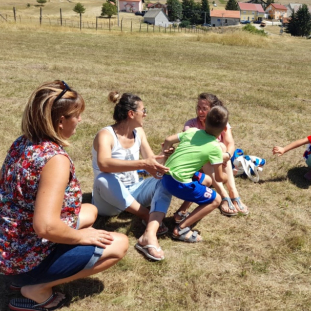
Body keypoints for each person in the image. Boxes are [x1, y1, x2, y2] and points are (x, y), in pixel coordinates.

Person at [0, 80, 129, 311]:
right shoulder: (55, 159)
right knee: (119, 244)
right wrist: (80, 237)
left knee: (90, 210)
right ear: (60, 121)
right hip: (25, 258)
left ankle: (22, 278)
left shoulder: (22, 142)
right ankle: (36, 288)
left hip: (6, 249)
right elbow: (45, 227)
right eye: (76, 115)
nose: (80, 120)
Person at [92, 92, 172, 261]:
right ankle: (145, 215)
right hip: (108, 201)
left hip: (134, 192)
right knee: (103, 178)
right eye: (143, 110)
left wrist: (165, 155)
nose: (145, 114)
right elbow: (104, 164)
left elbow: (152, 165)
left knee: (164, 181)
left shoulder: (139, 132)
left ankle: (149, 234)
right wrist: (142, 164)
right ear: (131, 113)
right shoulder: (106, 135)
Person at [161, 106, 229, 242]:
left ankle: (180, 213)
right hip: (179, 184)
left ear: (205, 122)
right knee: (216, 200)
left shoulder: (192, 131)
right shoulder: (215, 148)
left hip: (166, 176)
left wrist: (167, 153)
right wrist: (226, 170)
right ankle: (180, 229)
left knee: (206, 181)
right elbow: (220, 177)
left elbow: (168, 140)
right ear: (224, 129)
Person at [176, 93, 248, 219]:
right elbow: (194, 149)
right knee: (213, 149)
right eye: (198, 107)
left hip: (218, 162)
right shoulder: (191, 124)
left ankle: (233, 192)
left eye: (204, 108)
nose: (200, 111)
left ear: (213, 110)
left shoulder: (221, 123)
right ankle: (224, 195)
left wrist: (227, 155)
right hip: (198, 164)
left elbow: (230, 143)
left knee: (223, 148)